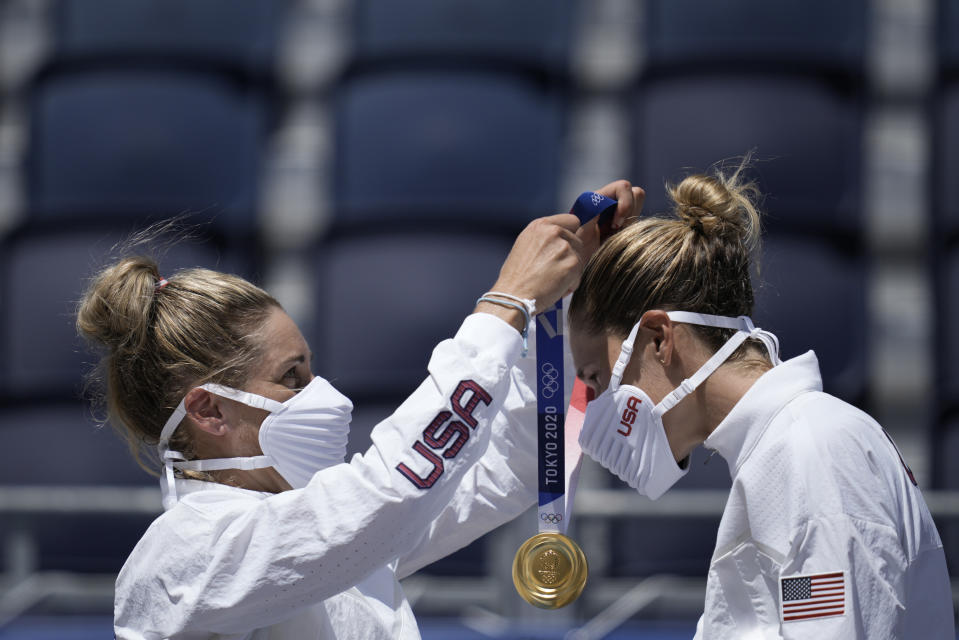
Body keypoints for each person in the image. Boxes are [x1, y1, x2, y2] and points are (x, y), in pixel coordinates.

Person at [77, 182, 643, 640]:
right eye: (290, 377)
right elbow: (394, 491)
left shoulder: (316, 520)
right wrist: (504, 305)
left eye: (311, 368)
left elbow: (508, 467)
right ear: (209, 412)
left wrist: (570, 297)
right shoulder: (186, 554)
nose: (321, 393)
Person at [568, 163, 955, 638]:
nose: (590, 401)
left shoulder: (812, 450)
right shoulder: (786, 450)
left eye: (595, 376)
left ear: (658, 339)